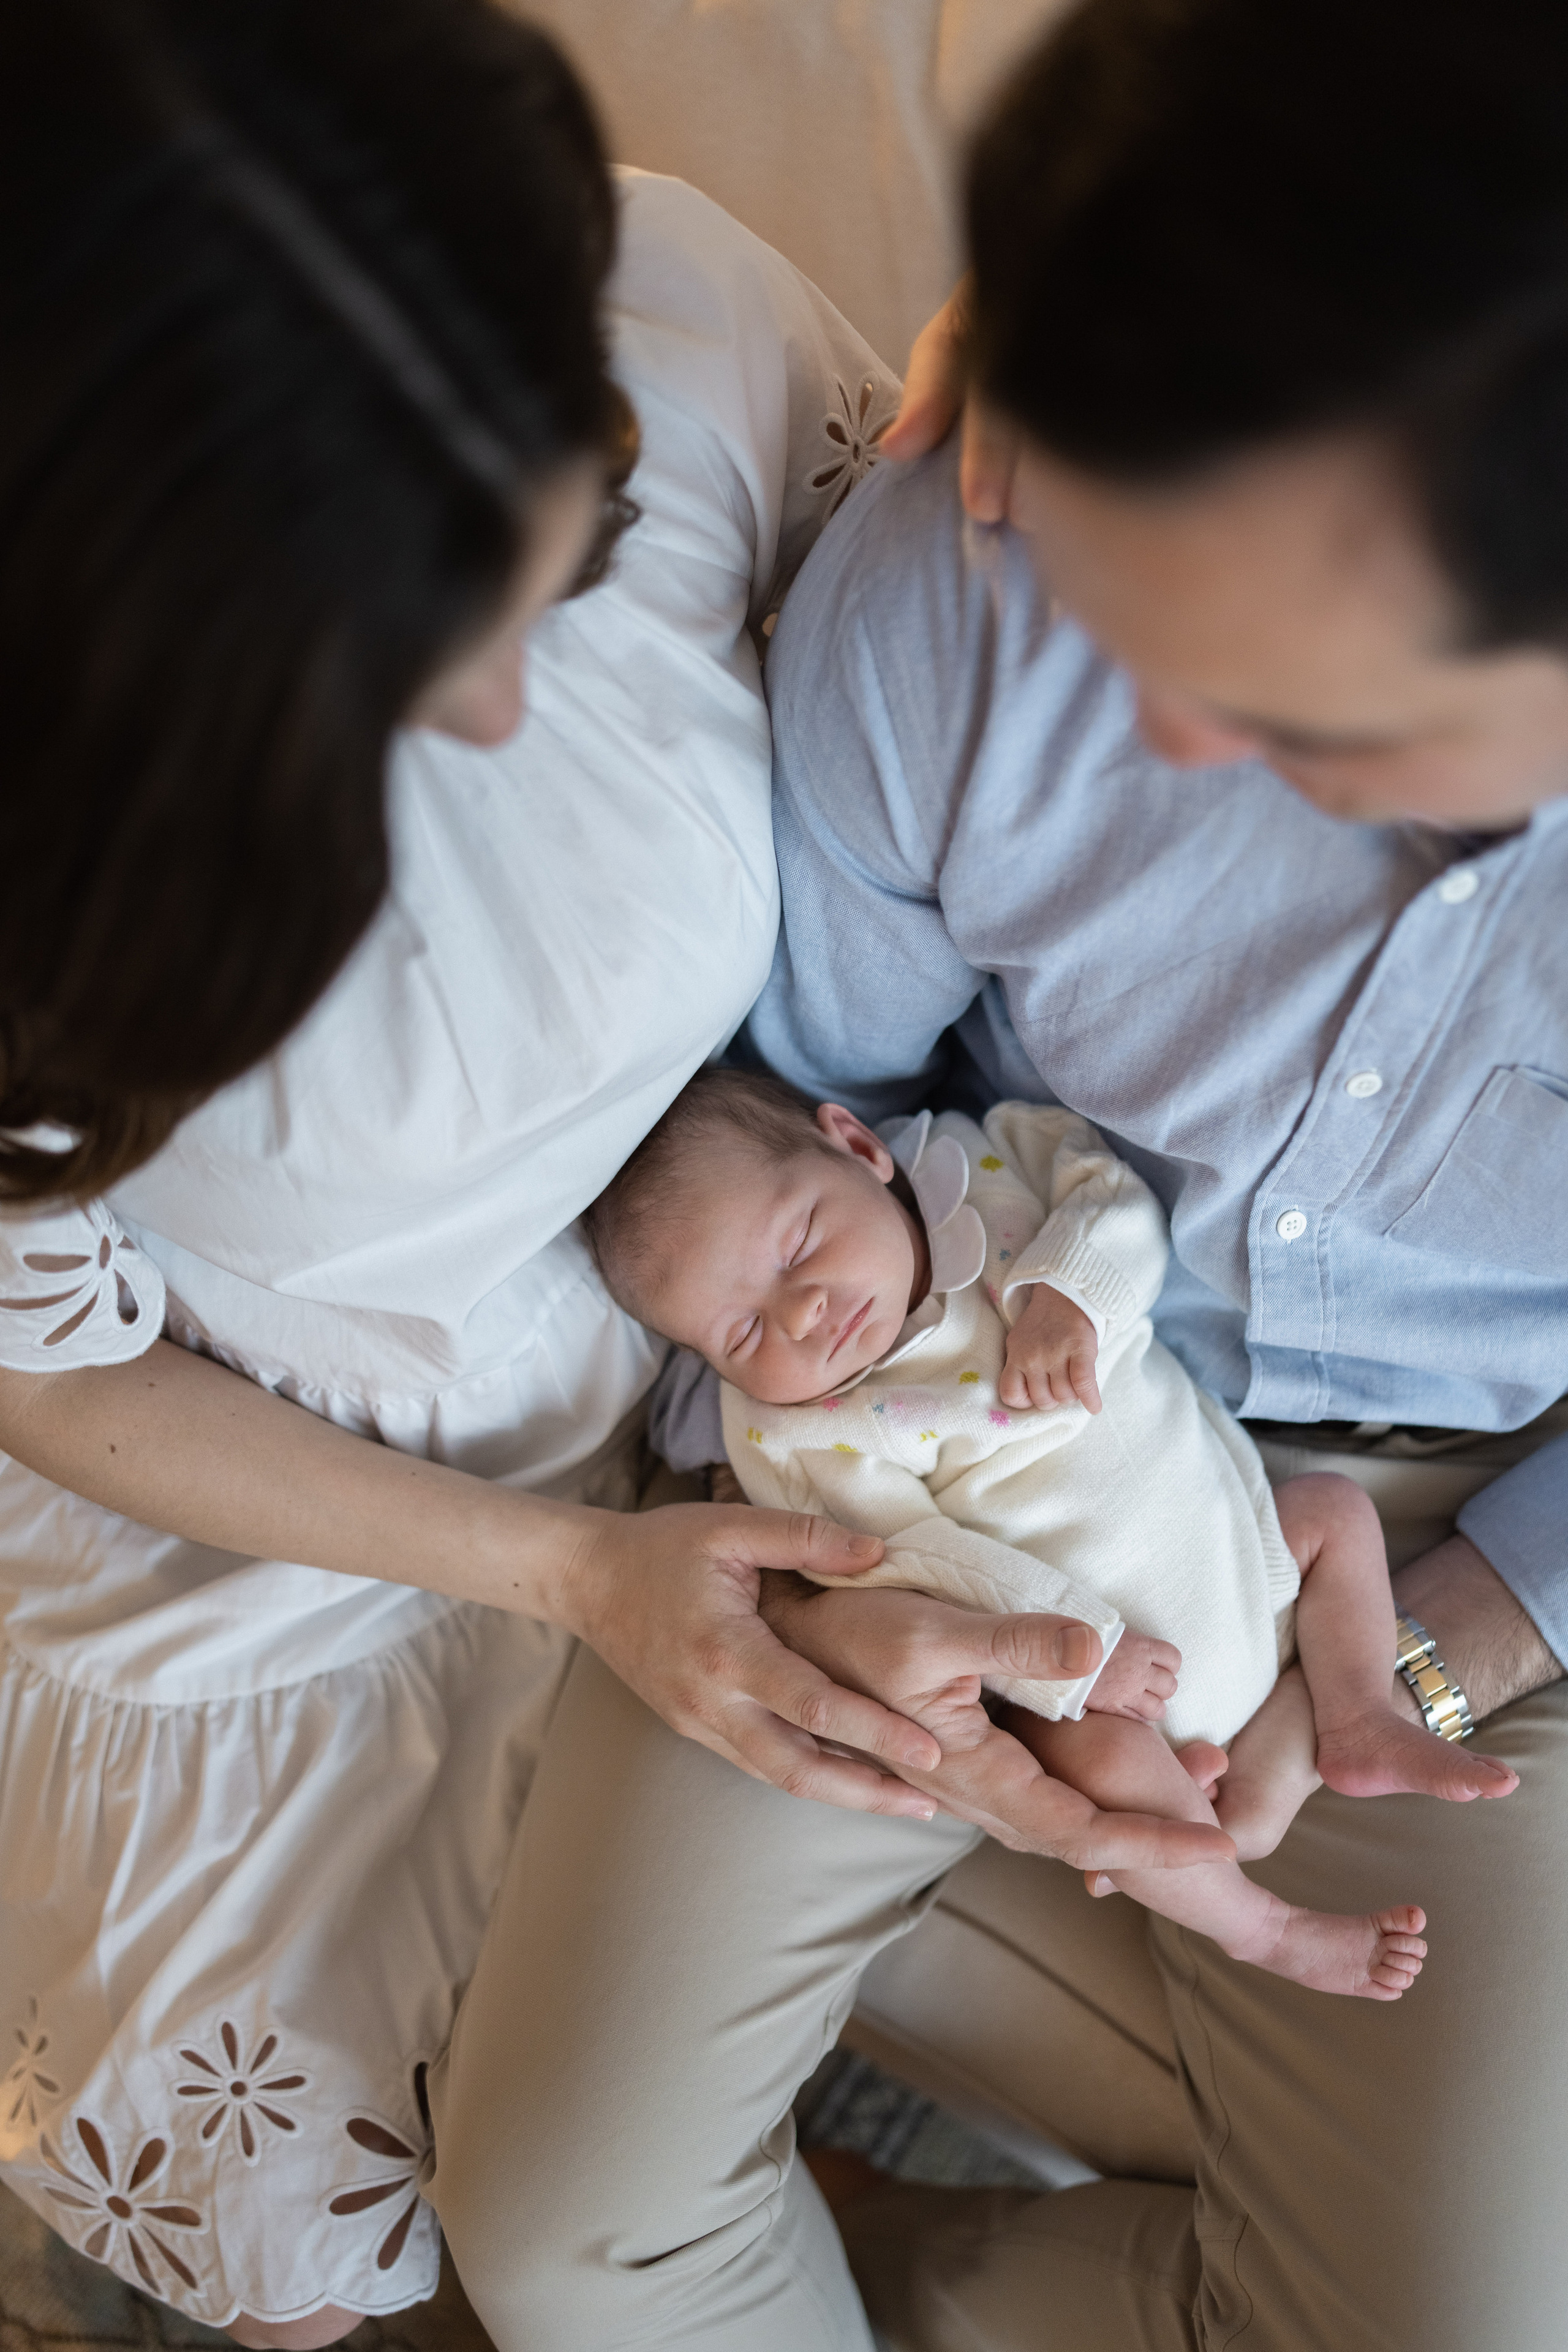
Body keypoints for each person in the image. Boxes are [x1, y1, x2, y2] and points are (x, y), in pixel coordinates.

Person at [2, 4, 1213, 2346]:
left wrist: (1065, 358)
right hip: (294, 1545)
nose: (486, 720)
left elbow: (938, 661)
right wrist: (569, 1571)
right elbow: (50, 1374)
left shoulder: (672, 306)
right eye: (383, 679)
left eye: (555, 577)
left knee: (1220, 2066)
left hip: (759, 1392)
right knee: (339, 2283)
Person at [589, 1061, 1536, 1997]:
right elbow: (908, 1563)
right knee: (1092, 1773)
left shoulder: (987, 1162)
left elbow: (1110, 1198)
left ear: (859, 1146)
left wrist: (1070, 1293)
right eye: (743, 1334)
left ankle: (1358, 1713)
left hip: (1241, 1555)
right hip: (1109, 1680)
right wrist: (1076, 1656)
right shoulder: (793, 1430)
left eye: (798, 1246)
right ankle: (1264, 1927)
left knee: (1333, 1513)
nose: (801, 1314)